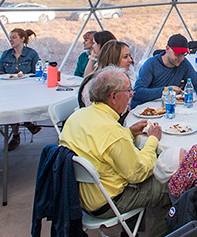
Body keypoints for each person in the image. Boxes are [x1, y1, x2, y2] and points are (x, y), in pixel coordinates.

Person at [60, 67, 170, 237]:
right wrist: (152, 140)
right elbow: (138, 173)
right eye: (128, 90)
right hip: (108, 202)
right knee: (174, 186)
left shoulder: (77, 117)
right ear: (113, 96)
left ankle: (132, 232)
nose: (132, 94)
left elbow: (99, 145)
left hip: (78, 196)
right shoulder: (113, 132)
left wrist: (129, 132)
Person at [132, 34, 197, 108]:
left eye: (183, 54)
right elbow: (137, 93)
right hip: (147, 108)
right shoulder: (151, 64)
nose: (180, 58)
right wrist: (166, 90)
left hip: (169, 107)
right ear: (167, 49)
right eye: (177, 54)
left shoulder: (183, 63)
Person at [0, 28, 42, 151]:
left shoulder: (32, 54)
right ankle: (27, 124)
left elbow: (36, 73)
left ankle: (17, 135)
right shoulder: (5, 54)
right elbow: (0, 72)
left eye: (13, 37)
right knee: (12, 103)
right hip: (9, 89)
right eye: (10, 37)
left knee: (16, 103)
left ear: (22, 39)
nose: (10, 40)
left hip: (27, 89)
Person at [79, 40, 135, 109]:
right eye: (125, 57)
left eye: (130, 56)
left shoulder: (123, 79)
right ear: (113, 59)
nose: (130, 60)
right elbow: (95, 113)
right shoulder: (93, 84)